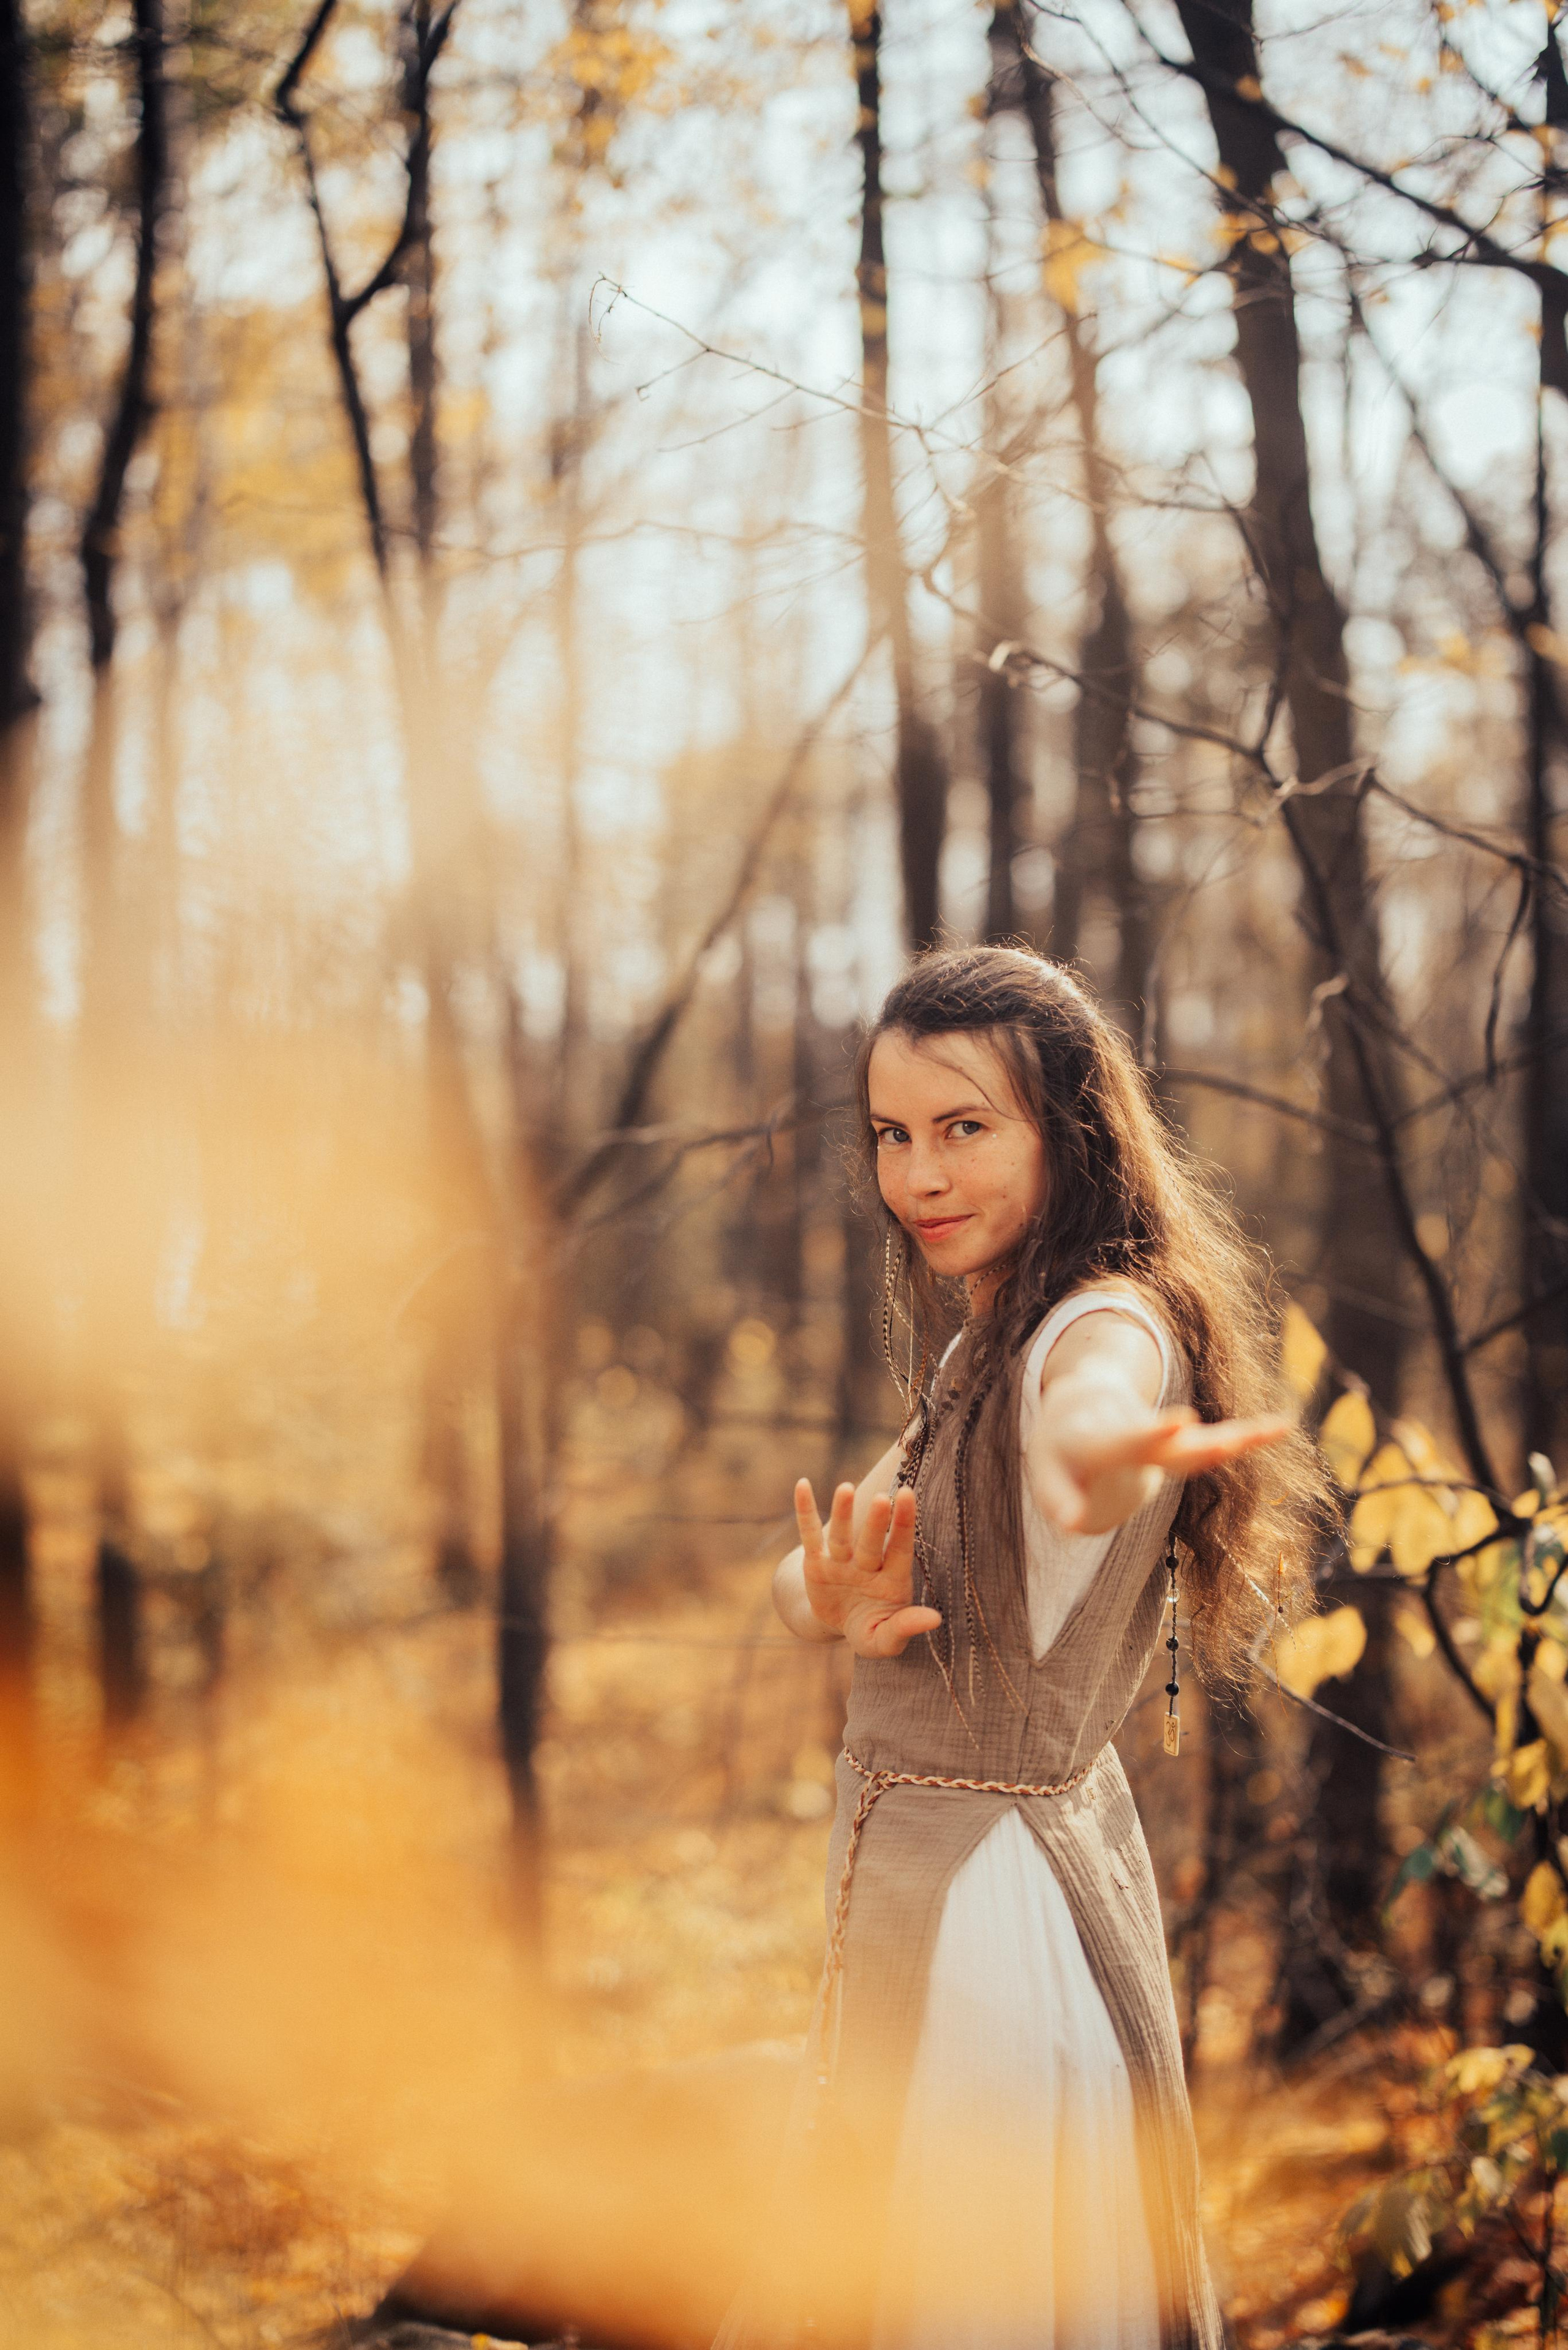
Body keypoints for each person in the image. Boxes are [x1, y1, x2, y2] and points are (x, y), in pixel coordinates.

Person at [714, 946, 1327, 2350]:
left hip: (988, 1930)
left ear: (1071, 1129)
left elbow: (1090, 1418)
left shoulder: (1096, 1324)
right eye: (891, 1134)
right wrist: (835, 1598)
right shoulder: (975, 1349)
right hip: (938, 1890)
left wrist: (1102, 1451)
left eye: (964, 1128)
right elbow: (793, 1586)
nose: (917, 1175)